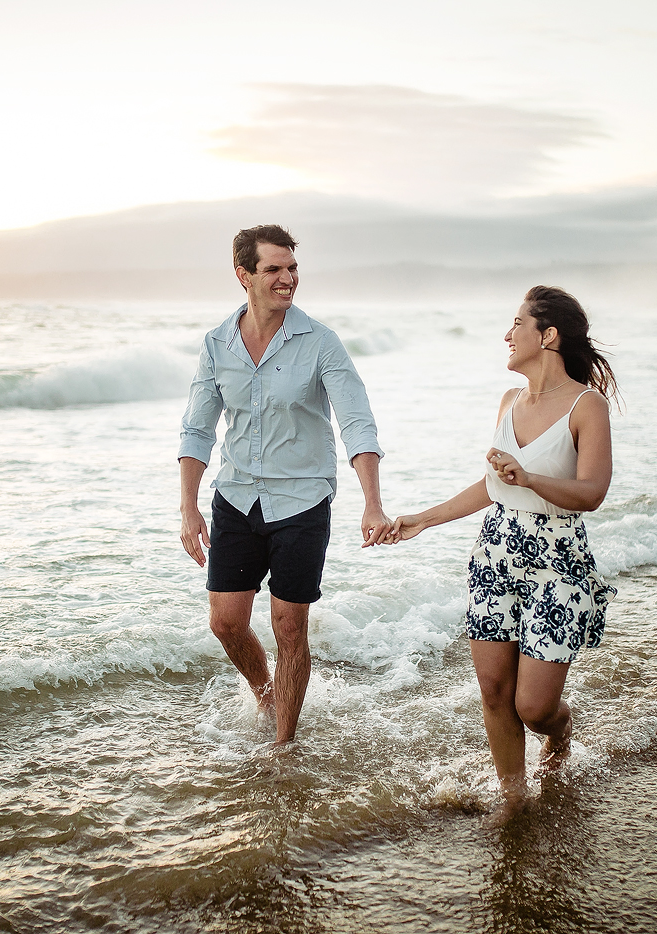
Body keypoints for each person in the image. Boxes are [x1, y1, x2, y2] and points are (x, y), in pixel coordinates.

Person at [382, 285, 618, 821]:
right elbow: (494, 486)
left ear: (548, 335)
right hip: (496, 552)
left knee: (533, 706)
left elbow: (592, 493)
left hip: (558, 560)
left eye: (517, 324)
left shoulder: (587, 406)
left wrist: (530, 476)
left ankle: (560, 729)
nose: (507, 335)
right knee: (493, 689)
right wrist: (423, 518)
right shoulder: (509, 402)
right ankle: (514, 797)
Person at [178, 224, 390, 744]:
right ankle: (265, 692)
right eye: (273, 269)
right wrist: (188, 508)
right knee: (225, 623)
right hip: (236, 496)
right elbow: (197, 428)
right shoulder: (217, 344)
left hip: (302, 500)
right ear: (243, 275)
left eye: (292, 268)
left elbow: (356, 422)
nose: (287, 279)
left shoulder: (321, 343)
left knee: (290, 629)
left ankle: (283, 747)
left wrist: (372, 503)